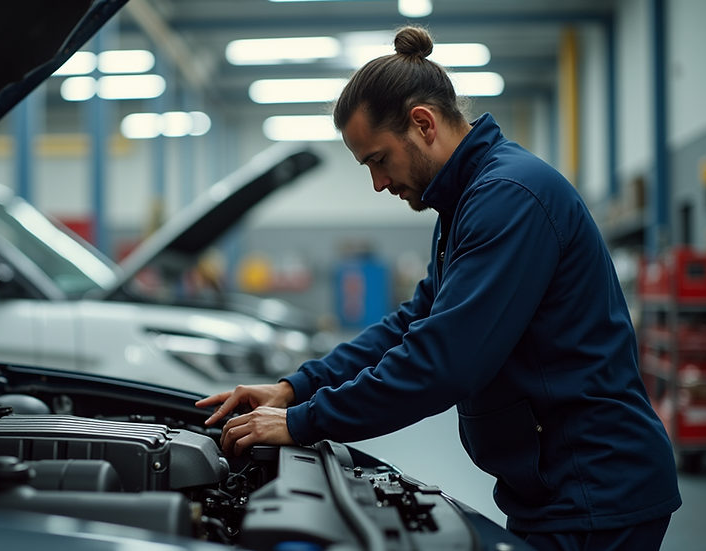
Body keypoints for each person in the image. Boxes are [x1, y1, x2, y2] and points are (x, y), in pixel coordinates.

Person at [196, 26, 681, 551]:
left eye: (378, 160)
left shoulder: (507, 198)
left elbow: (443, 360)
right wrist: (295, 388)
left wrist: (303, 421)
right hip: (558, 489)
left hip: (594, 491)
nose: (378, 184)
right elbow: (412, 322)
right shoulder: (465, 202)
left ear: (422, 124)